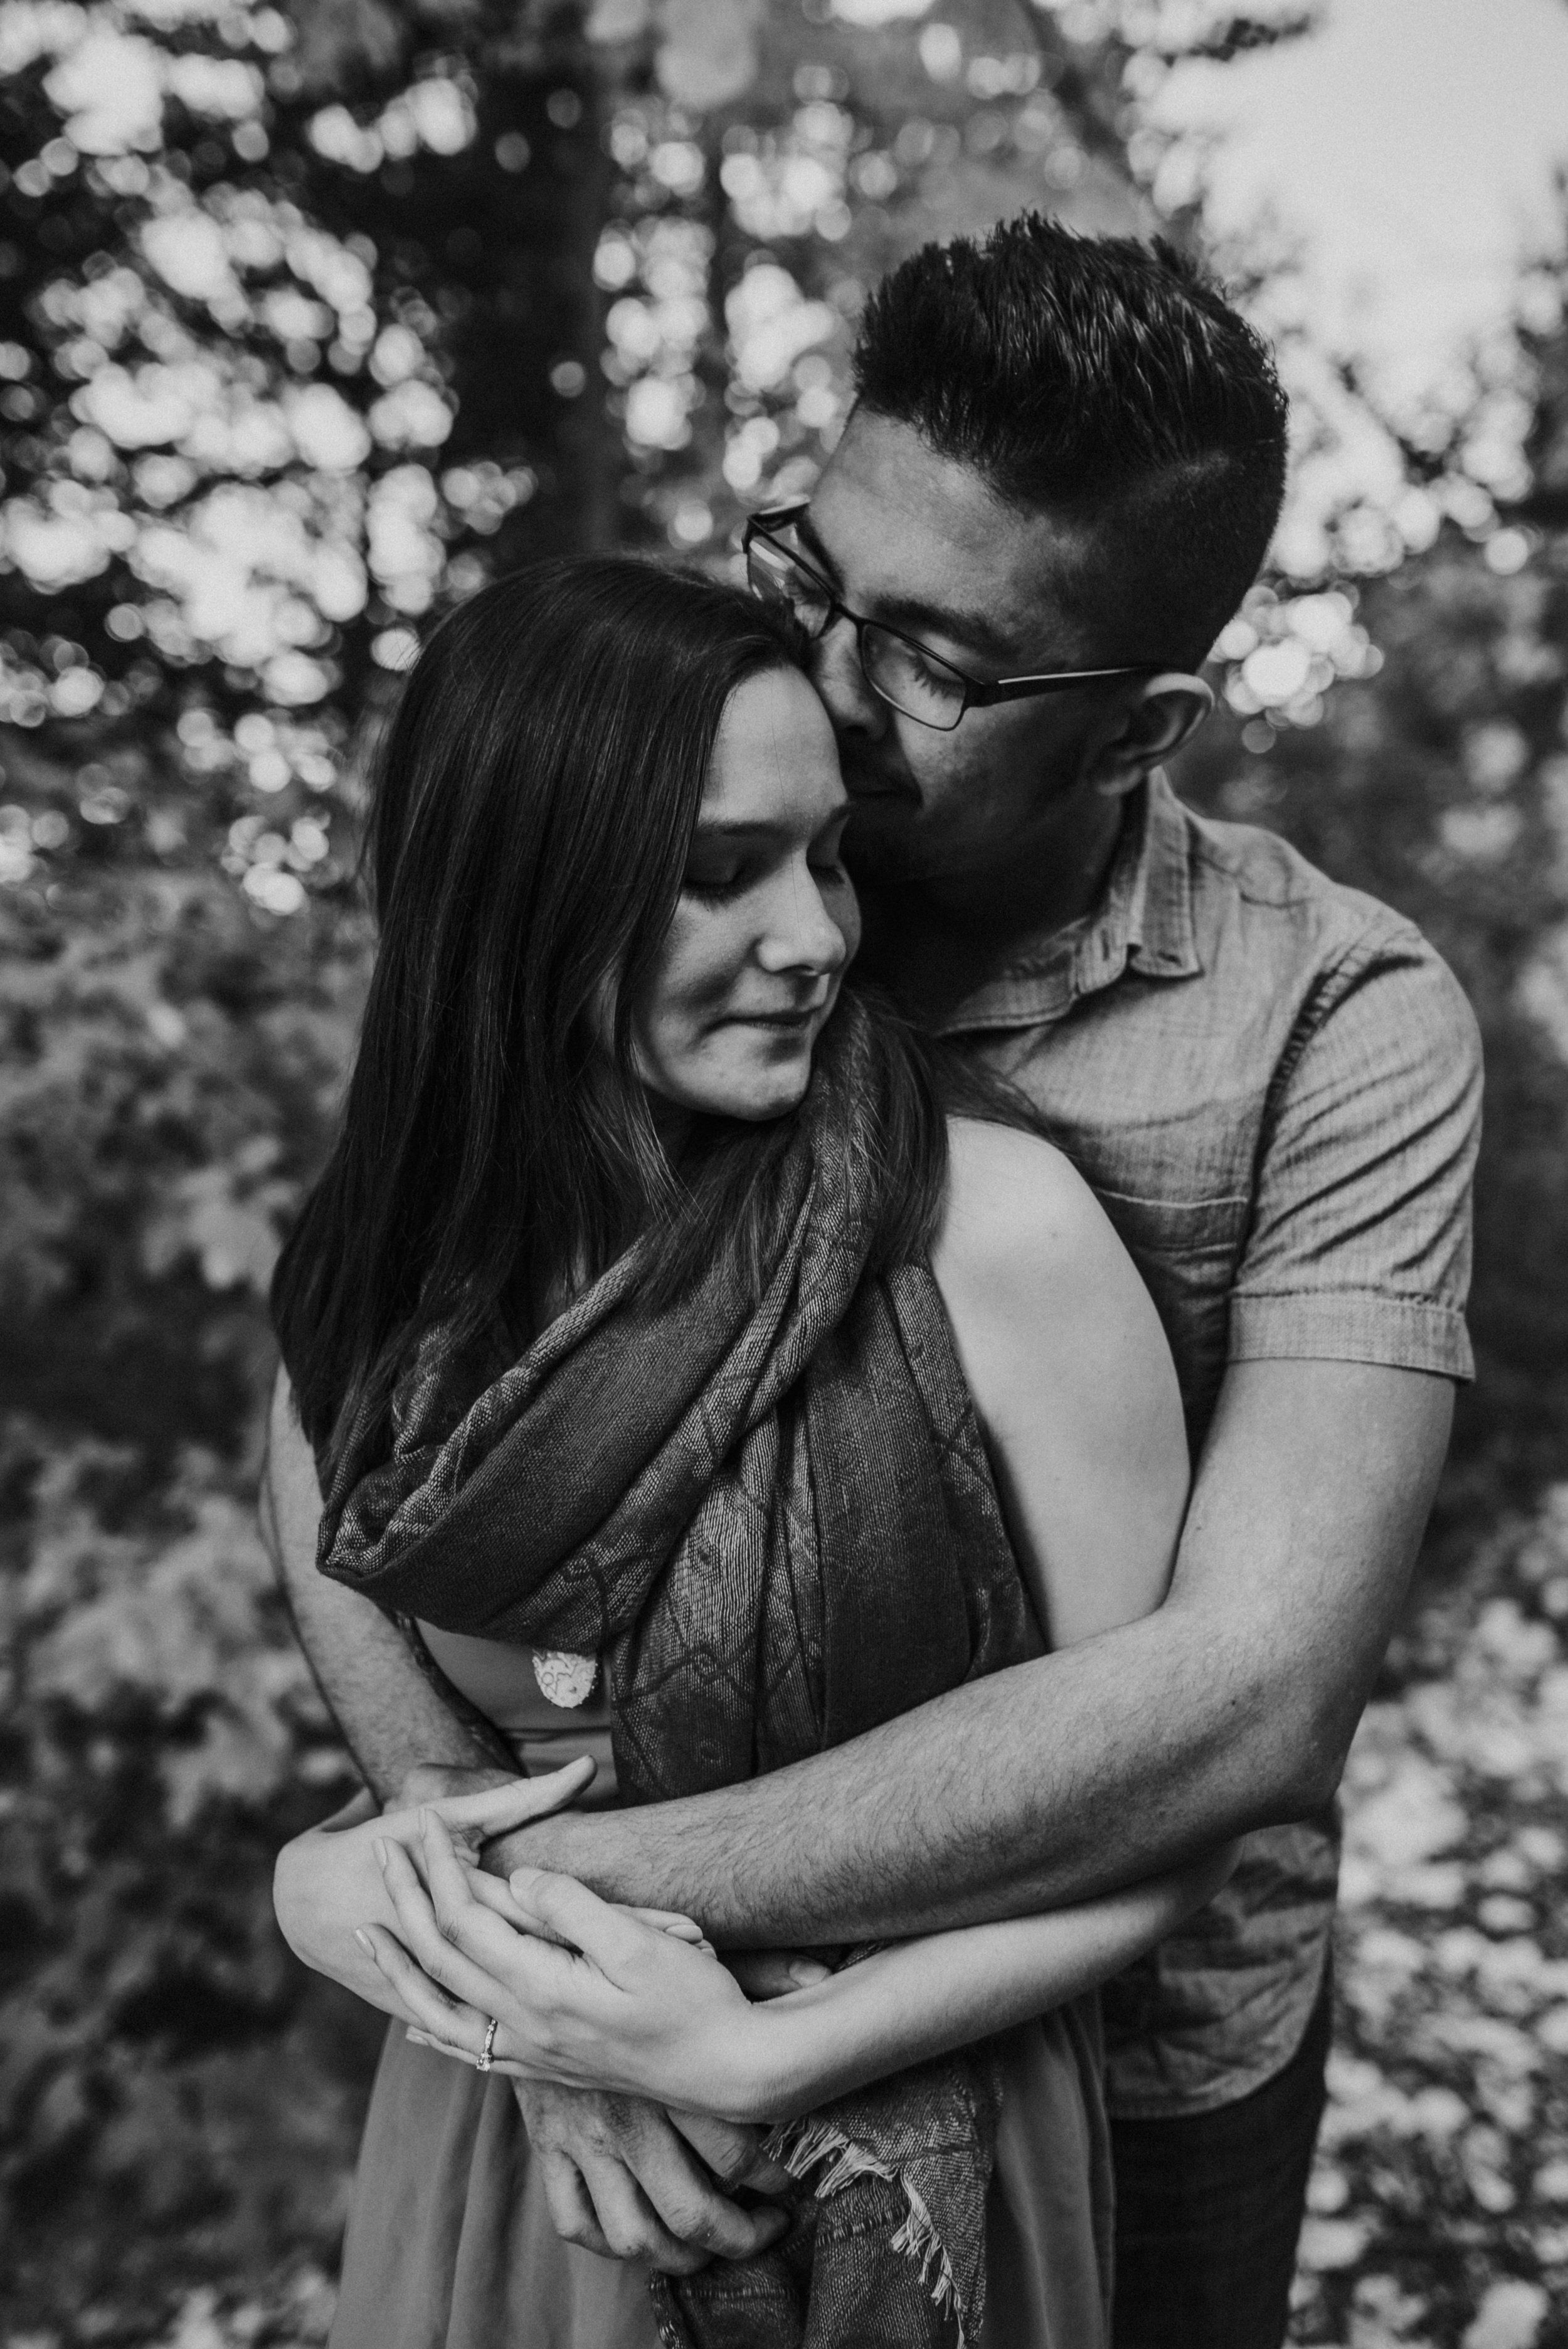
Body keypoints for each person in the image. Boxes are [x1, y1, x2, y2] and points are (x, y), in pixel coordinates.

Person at [264, 218, 1481, 2349]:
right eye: (804, 579)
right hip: (595, 2009)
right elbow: (359, 1332)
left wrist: (544, 1903)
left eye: (929, 657)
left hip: (1118, 2027)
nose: (822, 678)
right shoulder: (671, 832)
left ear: (1139, 726)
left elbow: (1247, 1694)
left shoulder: (1333, 1025)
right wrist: (425, 1810)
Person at [268, 551, 1227, 2348]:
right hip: (508, 2147)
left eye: (827, 853)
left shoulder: (993, 1235)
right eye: (722, 872)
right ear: (519, 899)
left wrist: (758, 2047)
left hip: (899, 2130)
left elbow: (1158, 1810)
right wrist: (463, 1964)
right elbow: (327, 1528)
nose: (816, 936)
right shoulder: (392, 1277)